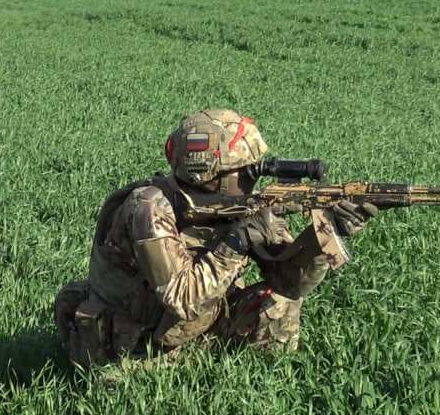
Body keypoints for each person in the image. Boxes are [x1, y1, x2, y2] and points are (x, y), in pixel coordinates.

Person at [53, 109, 377, 368]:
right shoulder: (149, 206)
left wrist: (324, 234)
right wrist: (237, 241)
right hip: (137, 340)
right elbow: (181, 298)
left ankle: (261, 389)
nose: (252, 179)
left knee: (278, 304)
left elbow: (289, 283)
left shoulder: (240, 206)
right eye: (245, 172)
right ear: (208, 175)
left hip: (194, 323)